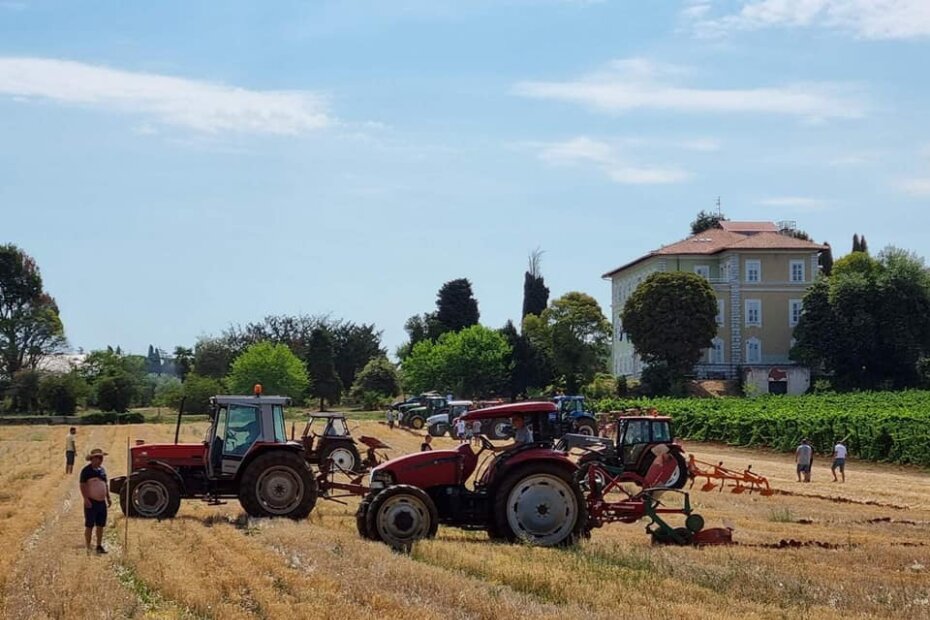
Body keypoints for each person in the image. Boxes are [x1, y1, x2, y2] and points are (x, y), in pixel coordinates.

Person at [79, 448, 111, 554]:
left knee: (100, 525)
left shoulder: (102, 470)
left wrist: (108, 497)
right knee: (89, 525)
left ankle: (99, 545)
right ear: (93, 459)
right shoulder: (86, 471)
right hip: (91, 502)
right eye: (99, 458)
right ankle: (88, 546)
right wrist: (86, 499)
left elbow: (105, 484)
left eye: (101, 458)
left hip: (102, 503)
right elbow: (82, 485)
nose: (101, 460)